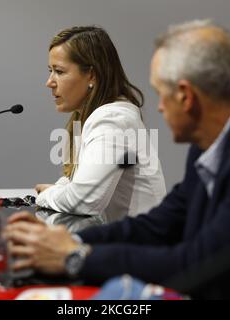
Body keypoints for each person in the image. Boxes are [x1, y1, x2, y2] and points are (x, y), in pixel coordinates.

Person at [5, 20, 230, 299]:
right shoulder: (214, 143)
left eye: (161, 94)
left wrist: (76, 258)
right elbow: (161, 224)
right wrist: (67, 240)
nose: (158, 108)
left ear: (186, 96)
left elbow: (201, 262)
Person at [33, 26, 166, 230]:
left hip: (140, 249)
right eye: (50, 71)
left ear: (92, 76)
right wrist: (61, 188)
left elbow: (85, 200)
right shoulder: (103, 115)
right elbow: (81, 185)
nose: (49, 82)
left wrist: (46, 196)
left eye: (59, 72)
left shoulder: (112, 119)